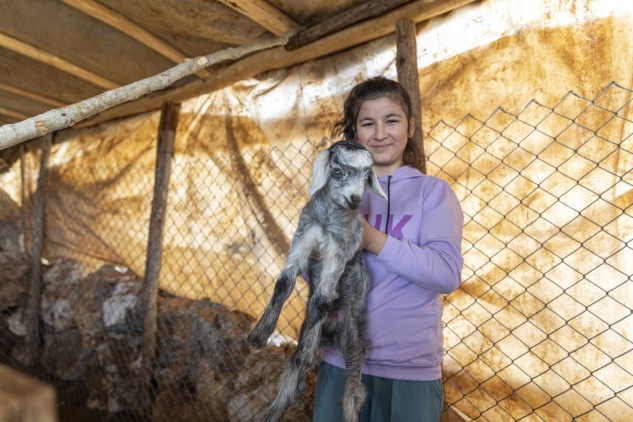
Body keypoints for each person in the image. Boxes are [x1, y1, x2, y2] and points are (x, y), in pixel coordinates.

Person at [312, 76, 464, 422]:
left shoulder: (433, 193)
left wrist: (372, 240)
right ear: (354, 133)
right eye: (368, 123)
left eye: (391, 120)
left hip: (407, 369)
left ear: (410, 127)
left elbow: (445, 274)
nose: (380, 133)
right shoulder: (335, 193)